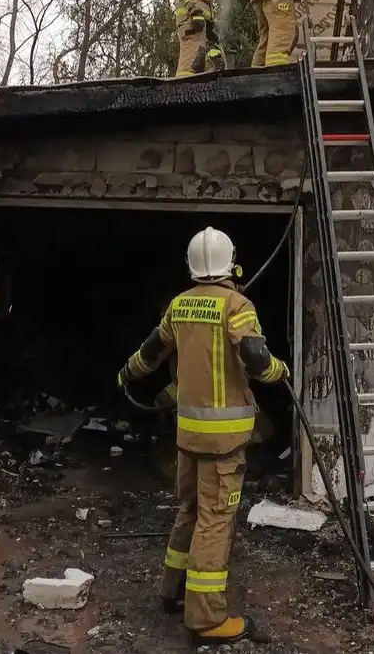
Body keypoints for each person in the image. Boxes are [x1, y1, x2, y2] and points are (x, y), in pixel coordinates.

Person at [117, 227, 288, 646]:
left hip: (188, 434)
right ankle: (207, 619)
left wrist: (126, 374)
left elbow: (151, 352)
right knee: (215, 522)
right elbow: (255, 356)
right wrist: (278, 372)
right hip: (224, 441)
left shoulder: (179, 306)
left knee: (189, 511)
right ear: (231, 263)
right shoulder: (237, 306)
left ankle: (171, 591)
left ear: (193, 267)